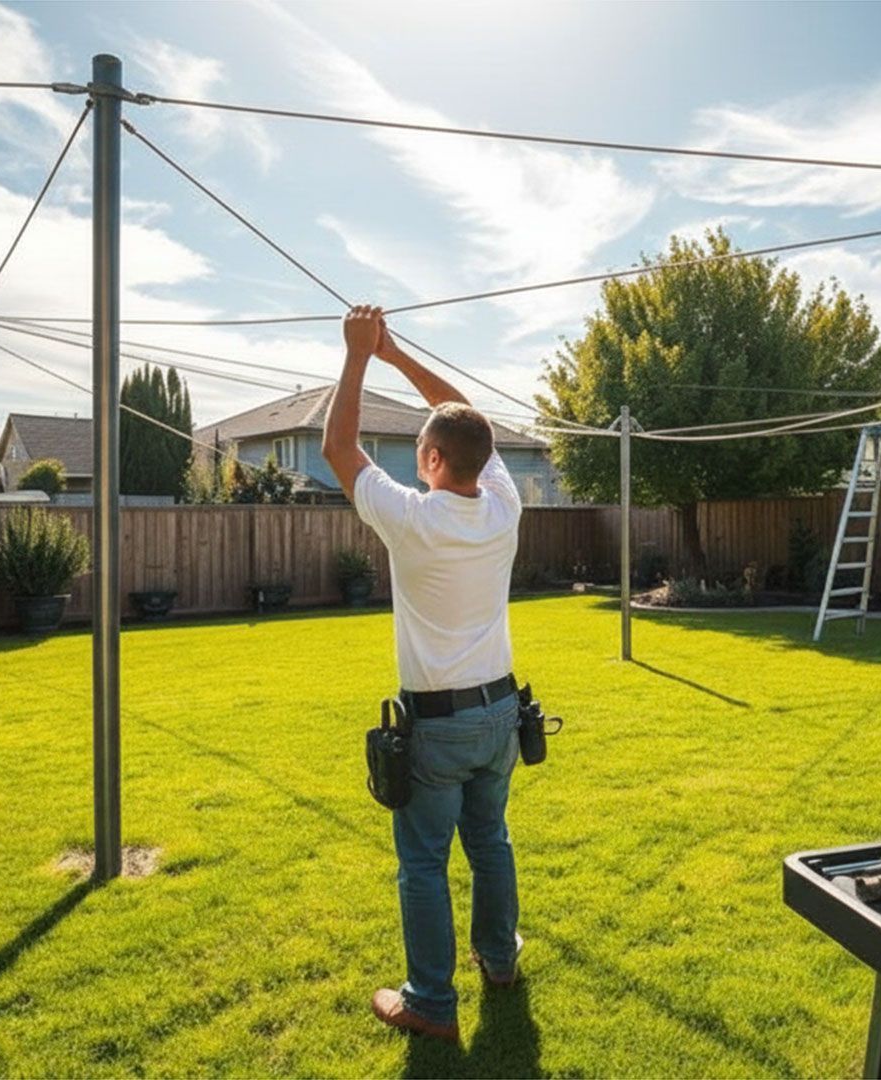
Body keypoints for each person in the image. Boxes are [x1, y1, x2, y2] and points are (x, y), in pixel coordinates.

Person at [322, 305, 526, 1045]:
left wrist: (358, 355)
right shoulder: (505, 503)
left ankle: (431, 1004)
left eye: (419, 445)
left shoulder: (410, 516)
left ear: (435, 460)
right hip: (502, 714)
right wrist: (397, 354)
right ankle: (500, 961)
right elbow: (468, 421)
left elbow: (338, 445)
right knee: (491, 840)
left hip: (439, 724)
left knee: (422, 864)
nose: (414, 453)